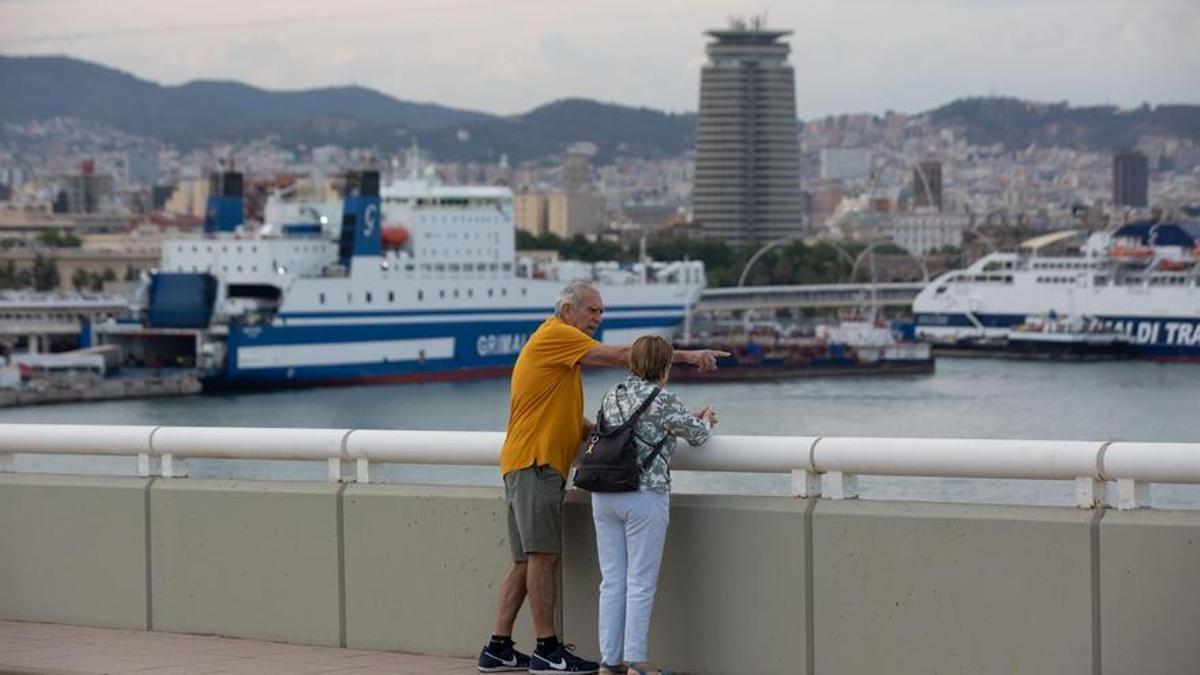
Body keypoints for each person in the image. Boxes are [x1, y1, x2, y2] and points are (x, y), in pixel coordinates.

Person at [478, 281, 726, 674]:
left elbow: (576, 420)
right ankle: (547, 649)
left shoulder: (563, 358)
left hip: (523, 460)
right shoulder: (557, 335)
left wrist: (616, 433)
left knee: (526, 560)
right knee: (542, 556)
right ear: (567, 310)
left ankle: (498, 648)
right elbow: (627, 355)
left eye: (601, 311)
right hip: (538, 462)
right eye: (591, 310)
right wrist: (688, 355)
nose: (598, 317)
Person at [592, 336, 714, 675]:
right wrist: (705, 418)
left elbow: (629, 427)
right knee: (641, 581)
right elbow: (698, 436)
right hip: (645, 494)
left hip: (604, 492)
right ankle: (637, 661)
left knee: (611, 581)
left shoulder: (612, 394)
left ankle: (609, 661)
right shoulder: (663, 399)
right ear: (664, 365)